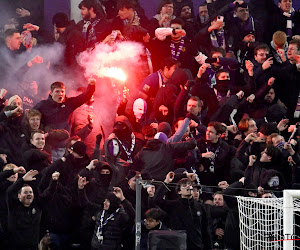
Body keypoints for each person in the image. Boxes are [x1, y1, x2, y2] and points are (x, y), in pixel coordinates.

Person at [153, 173, 212, 249]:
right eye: (184, 186)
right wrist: (166, 182)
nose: (188, 186)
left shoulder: (200, 207)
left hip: (197, 246)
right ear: (179, 191)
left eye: (189, 185)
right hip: (179, 246)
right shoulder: (173, 205)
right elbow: (157, 200)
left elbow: (205, 230)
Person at [6, 169, 42, 250]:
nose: (29, 194)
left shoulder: (37, 206)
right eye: (25, 192)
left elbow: (46, 193)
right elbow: (9, 192)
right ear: (19, 196)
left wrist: (54, 181)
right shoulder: (14, 207)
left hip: (33, 247)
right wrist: (22, 180)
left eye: (30, 192)